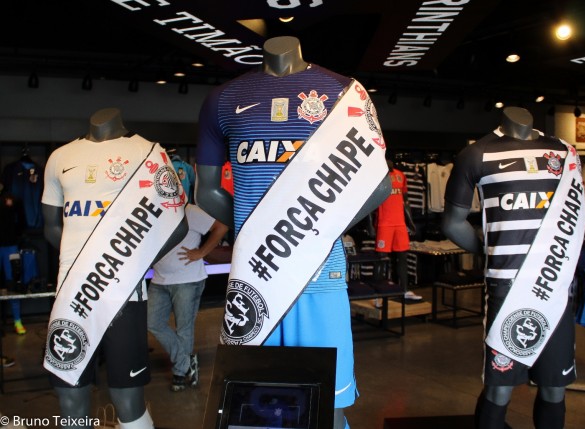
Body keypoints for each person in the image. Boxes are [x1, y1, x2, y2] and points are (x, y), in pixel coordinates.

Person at [195, 36, 390, 429]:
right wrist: (257, 233)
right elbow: (206, 191)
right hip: (256, 277)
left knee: (327, 407)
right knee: (252, 405)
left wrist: (316, 231)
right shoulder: (223, 99)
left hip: (319, 276)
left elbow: (380, 184)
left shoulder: (342, 91)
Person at [42, 108, 188, 429]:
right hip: (71, 297)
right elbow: (52, 228)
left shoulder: (149, 152)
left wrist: (133, 264)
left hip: (124, 297)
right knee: (70, 396)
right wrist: (82, 266)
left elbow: (178, 225)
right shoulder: (60, 157)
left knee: (127, 400)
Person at [441, 107, 585, 429]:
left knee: (555, 386)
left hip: (556, 282)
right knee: (500, 386)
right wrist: (493, 252)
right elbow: (452, 223)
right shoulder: (477, 154)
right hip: (507, 286)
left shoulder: (565, 153)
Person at [147, 203, 228, 392]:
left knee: (184, 328)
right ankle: (186, 361)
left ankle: (180, 372)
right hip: (160, 278)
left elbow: (221, 227)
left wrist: (201, 252)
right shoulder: (151, 210)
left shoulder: (187, 210)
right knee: (152, 323)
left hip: (188, 279)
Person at [374, 159, 421, 302]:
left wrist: (410, 221)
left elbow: (405, 201)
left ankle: (404, 290)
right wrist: (370, 225)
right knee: (381, 259)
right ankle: (377, 294)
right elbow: (371, 203)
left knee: (403, 258)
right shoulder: (377, 177)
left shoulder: (401, 175)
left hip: (399, 224)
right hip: (384, 224)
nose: (390, 162)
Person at [0, 188, 27, 334]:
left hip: (10, 246)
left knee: (13, 282)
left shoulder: (12, 197)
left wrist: (16, 235)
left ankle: (17, 321)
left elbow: (22, 220)